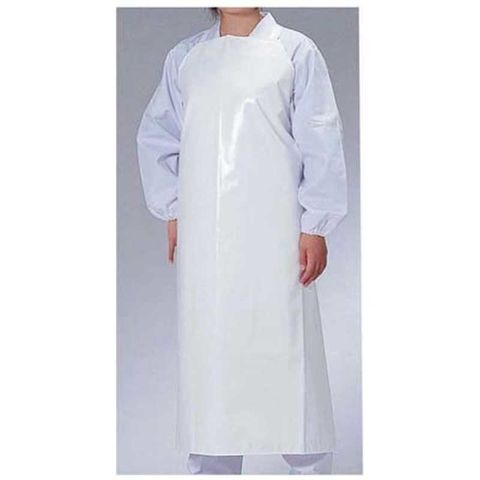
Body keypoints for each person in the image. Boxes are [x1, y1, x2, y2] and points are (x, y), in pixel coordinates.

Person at [137, 7, 347, 475]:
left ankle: (308, 464)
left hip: (277, 235)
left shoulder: (294, 52)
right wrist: (172, 209)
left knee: (290, 364)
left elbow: (320, 135)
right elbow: (158, 135)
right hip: (206, 239)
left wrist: (316, 223)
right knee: (212, 371)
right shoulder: (186, 59)